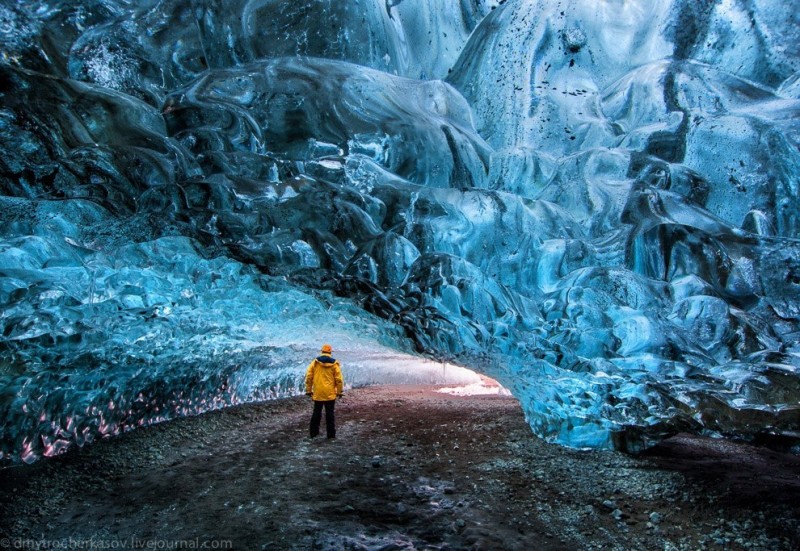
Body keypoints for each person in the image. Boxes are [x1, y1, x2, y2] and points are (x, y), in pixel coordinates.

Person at [305, 343, 344, 439]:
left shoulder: (315, 362)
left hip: (318, 393)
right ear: (330, 352)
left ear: (322, 351)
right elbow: (339, 380)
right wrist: (339, 392)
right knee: (330, 414)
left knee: (316, 413)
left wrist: (309, 390)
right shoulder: (335, 364)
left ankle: (313, 433)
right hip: (330, 393)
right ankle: (331, 435)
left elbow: (309, 377)